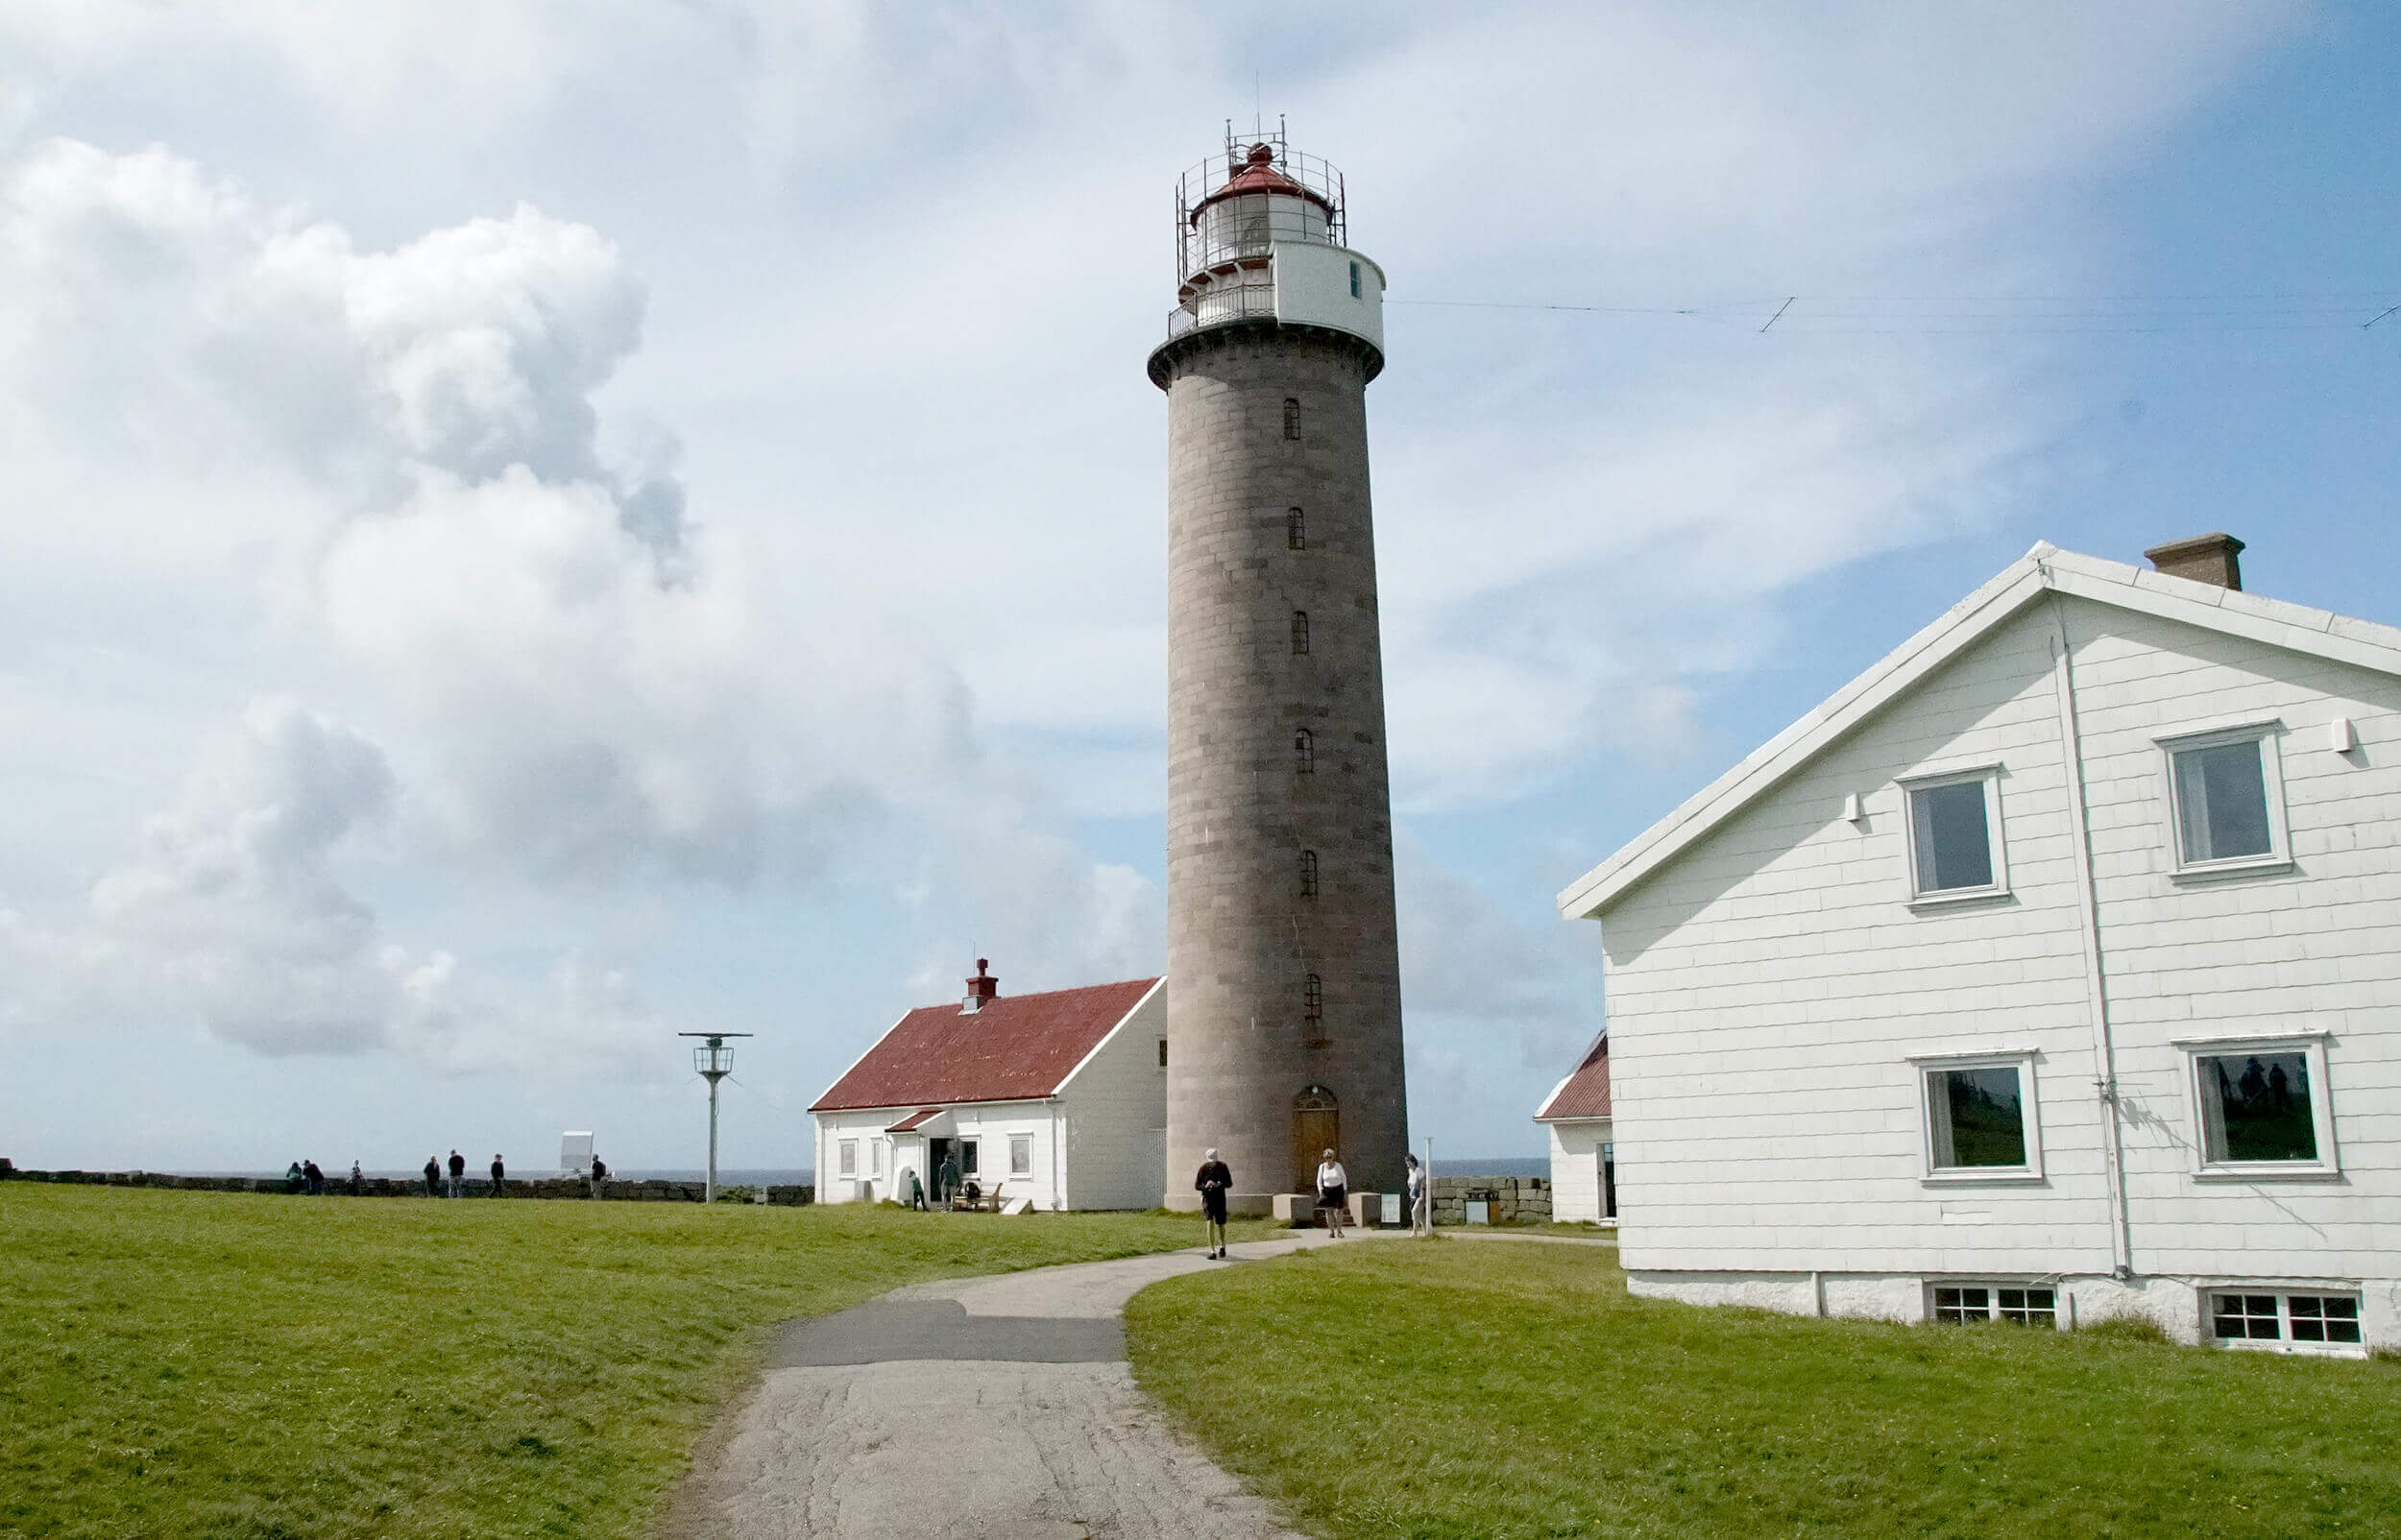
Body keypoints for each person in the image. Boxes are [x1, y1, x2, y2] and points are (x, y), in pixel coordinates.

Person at [1195, 1148, 1233, 1259]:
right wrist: (1205, 1186)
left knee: (1221, 1224)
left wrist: (1219, 1184)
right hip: (1208, 1198)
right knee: (1209, 1222)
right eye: (1210, 1162)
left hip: (1220, 1198)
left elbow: (1229, 1183)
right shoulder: (1203, 1169)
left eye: (1214, 1162)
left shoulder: (1223, 1167)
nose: (1212, 1164)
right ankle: (1212, 1251)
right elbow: (1197, 1185)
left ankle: (1222, 1246)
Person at [1314, 1148, 1348, 1238]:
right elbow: (1319, 1180)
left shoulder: (1338, 1166)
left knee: (1339, 1211)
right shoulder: (1322, 1167)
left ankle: (1339, 1231)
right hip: (1327, 1190)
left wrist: (1345, 1190)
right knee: (1329, 1211)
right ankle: (1331, 1231)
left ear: (1333, 1157)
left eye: (1330, 1157)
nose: (1328, 1159)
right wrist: (1320, 1191)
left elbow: (1344, 1178)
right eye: (1326, 1157)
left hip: (1338, 1189)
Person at [1404, 1152, 1430, 1237]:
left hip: (1420, 1196)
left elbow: (1424, 1182)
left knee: (1414, 1211)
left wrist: (1422, 1195)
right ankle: (1427, 1233)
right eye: (1406, 1162)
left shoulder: (1418, 1170)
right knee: (1422, 1216)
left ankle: (1414, 1232)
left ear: (1413, 1161)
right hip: (1413, 1196)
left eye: (1408, 1161)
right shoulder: (1410, 1171)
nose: (1407, 1164)